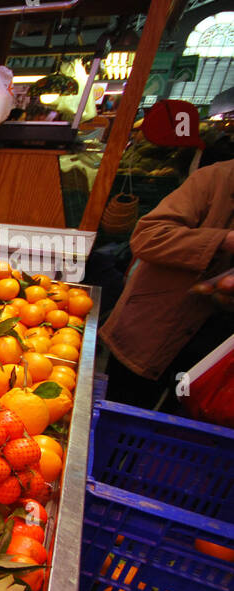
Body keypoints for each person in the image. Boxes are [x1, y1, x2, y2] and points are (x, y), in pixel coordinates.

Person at [100, 159, 234, 410]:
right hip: (155, 328)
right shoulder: (215, 180)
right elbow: (147, 236)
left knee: (180, 419)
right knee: (122, 408)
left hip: (215, 349)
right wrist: (223, 240)